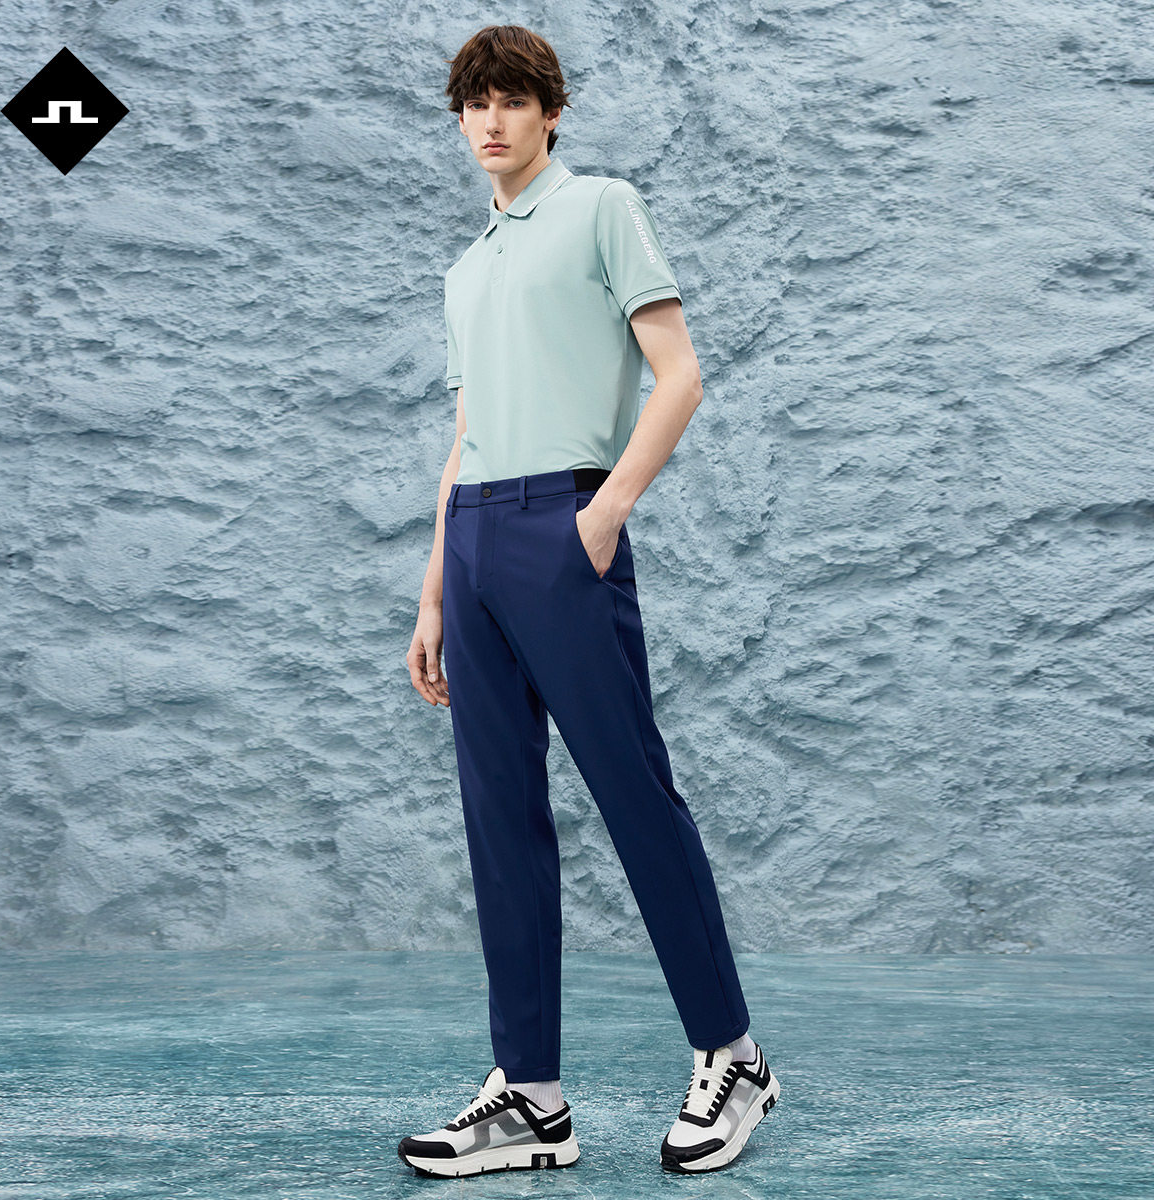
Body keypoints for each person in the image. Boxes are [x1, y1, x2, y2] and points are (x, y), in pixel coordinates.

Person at [399, 24, 780, 1177]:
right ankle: (531, 1097)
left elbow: (681, 374)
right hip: (475, 541)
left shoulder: (602, 208)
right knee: (499, 818)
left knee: (633, 794)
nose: (491, 121)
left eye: (511, 100)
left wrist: (604, 513)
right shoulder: (467, 269)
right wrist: (433, 593)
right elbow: (466, 436)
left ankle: (734, 1056)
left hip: (564, 525)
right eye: (474, 104)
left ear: (549, 112)